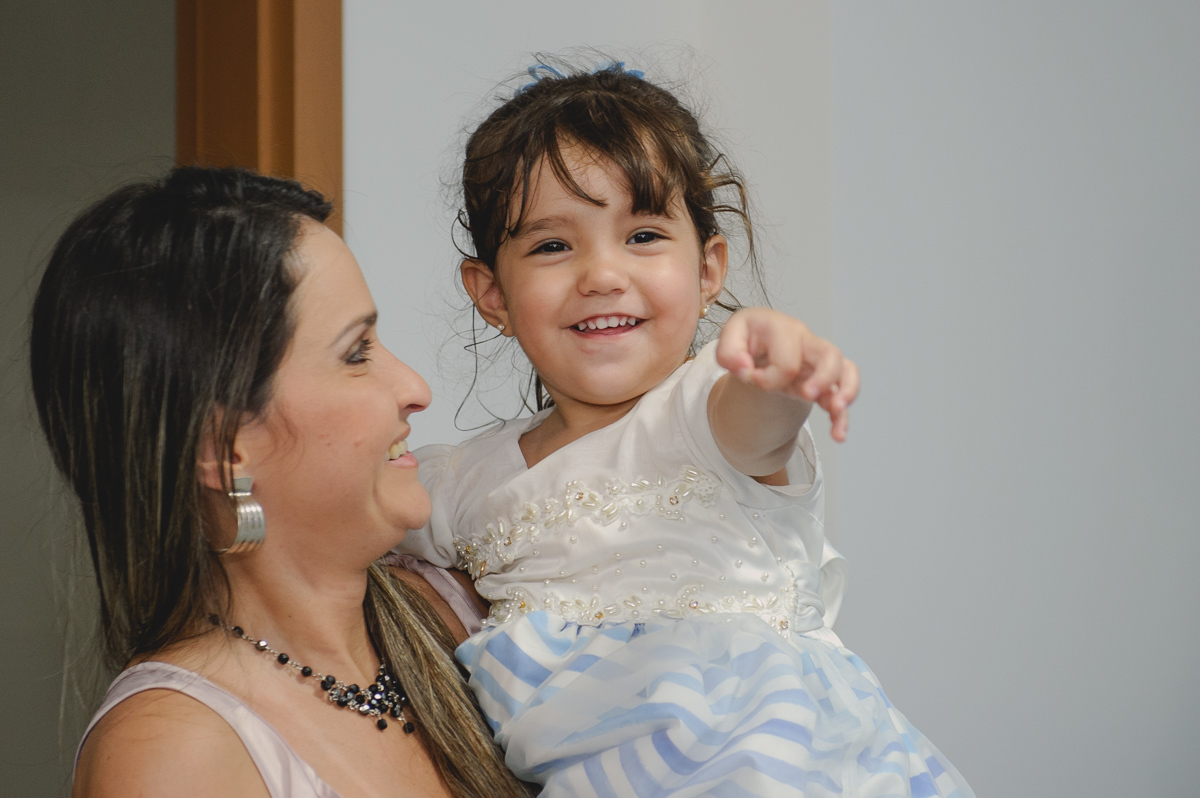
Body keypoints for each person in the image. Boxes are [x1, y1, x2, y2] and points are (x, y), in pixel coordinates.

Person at [396, 62, 976, 797]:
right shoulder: (461, 480)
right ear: (492, 295)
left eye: (642, 235)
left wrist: (775, 367)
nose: (602, 274)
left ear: (708, 271)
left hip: (775, 766)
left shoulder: (703, 410)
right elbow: (347, 514)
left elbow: (755, 423)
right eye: (552, 246)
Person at [30, 167, 529, 797]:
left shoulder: (472, 613)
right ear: (223, 449)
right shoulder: (176, 756)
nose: (414, 388)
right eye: (356, 352)